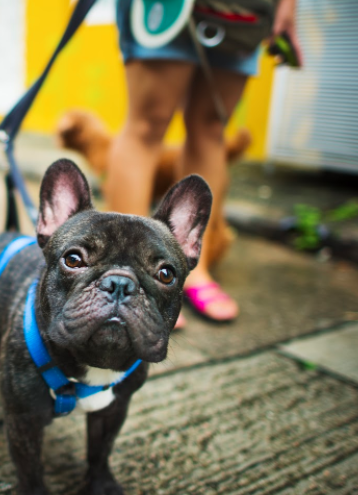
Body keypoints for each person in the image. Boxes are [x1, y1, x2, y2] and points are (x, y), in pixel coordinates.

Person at [104, 0, 302, 324]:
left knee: (211, 129)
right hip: (167, 8)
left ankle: (193, 271)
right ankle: (127, 272)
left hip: (245, 10)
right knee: (147, 124)